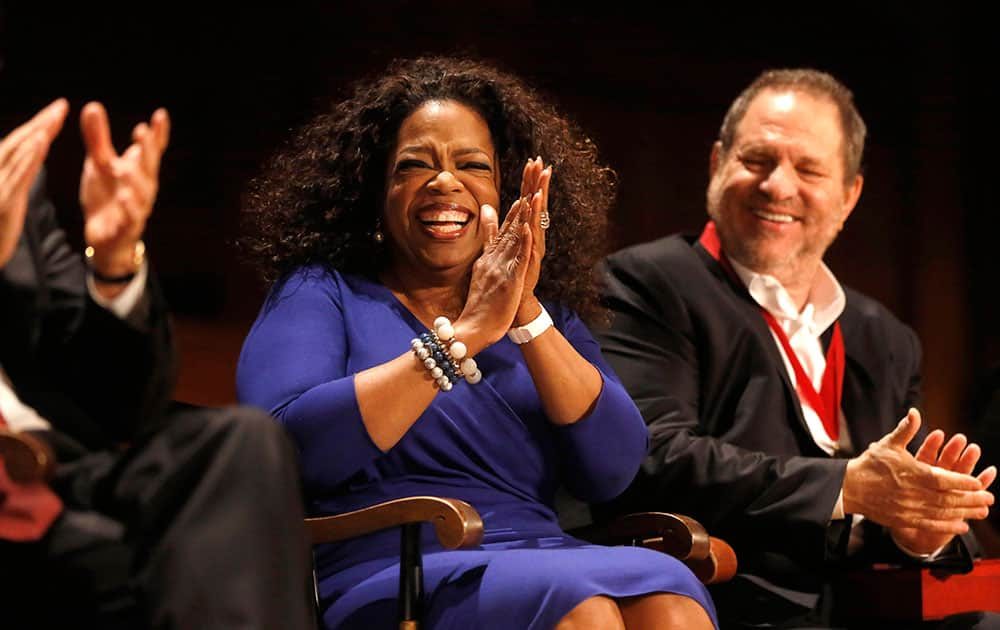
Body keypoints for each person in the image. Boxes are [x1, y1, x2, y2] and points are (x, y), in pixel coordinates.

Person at [236, 55, 718, 630]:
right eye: (414, 165)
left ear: (504, 190)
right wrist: (463, 337)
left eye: (473, 165)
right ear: (376, 195)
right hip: (394, 563)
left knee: (671, 598)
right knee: (581, 608)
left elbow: (611, 469)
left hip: (541, 550)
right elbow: (288, 450)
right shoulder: (322, 292)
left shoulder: (547, 317)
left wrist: (525, 313)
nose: (445, 182)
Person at [593, 68, 998, 629]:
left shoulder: (885, 336)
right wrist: (844, 485)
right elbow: (649, 454)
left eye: (809, 169)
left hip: (867, 601)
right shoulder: (646, 284)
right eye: (757, 160)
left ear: (850, 195)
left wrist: (917, 532)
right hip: (726, 595)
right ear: (717, 165)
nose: (778, 186)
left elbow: (890, 503)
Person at [0, 99, 313, 628]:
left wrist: (116, 265)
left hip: (61, 466)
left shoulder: (12, 185)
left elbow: (122, 409)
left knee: (242, 441)